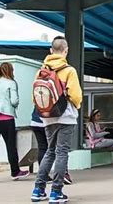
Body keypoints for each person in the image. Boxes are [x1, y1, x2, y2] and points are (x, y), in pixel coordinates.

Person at [31, 36, 82, 203]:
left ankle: (38, 190)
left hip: (47, 118)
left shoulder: (41, 71)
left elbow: (35, 97)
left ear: (51, 51)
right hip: (65, 117)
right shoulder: (69, 70)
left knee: (49, 152)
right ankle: (56, 192)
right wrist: (76, 106)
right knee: (61, 153)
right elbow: (75, 95)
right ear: (65, 51)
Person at [0, 62, 30, 184]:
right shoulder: (11, 83)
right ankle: (15, 172)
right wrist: (15, 103)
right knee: (11, 146)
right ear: (10, 71)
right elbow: (14, 101)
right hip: (6, 118)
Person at [30, 108, 72, 185]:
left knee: (45, 149)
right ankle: (63, 176)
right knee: (60, 150)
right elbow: (76, 98)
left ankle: (42, 180)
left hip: (36, 120)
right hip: (53, 120)